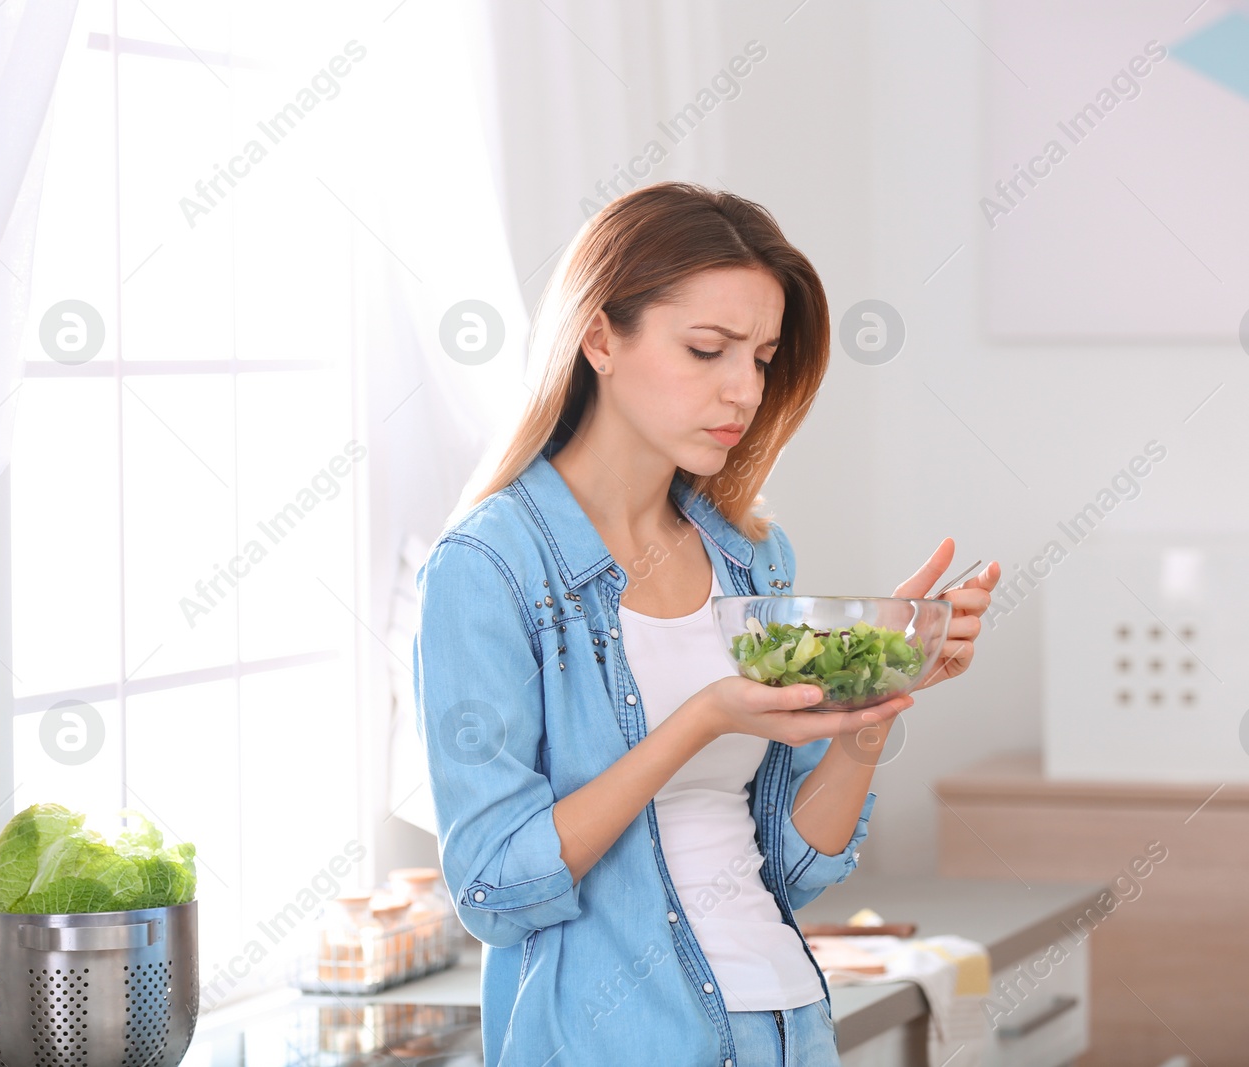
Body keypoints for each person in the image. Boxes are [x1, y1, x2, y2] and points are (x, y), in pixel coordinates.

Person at [412, 180, 998, 1066]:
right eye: (707, 349)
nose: (743, 390)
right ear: (600, 336)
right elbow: (495, 886)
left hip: (787, 1027)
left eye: (760, 357)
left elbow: (795, 868)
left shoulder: (752, 559)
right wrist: (700, 721)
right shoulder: (491, 568)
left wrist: (873, 696)